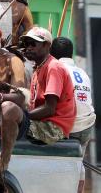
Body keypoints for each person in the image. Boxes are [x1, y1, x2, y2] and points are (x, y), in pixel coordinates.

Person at [0, 26, 76, 174]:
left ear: (47, 46)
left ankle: (4, 160)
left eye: (33, 44)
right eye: (26, 44)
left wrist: (20, 115)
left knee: (9, 109)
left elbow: (49, 109)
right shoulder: (38, 67)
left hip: (53, 127)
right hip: (41, 121)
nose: (28, 48)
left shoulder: (54, 67)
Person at [50, 36, 95, 193]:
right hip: (87, 125)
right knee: (78, 162)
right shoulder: (82, 72)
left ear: (51, 53)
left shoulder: (55, 69)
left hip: (70, 127)